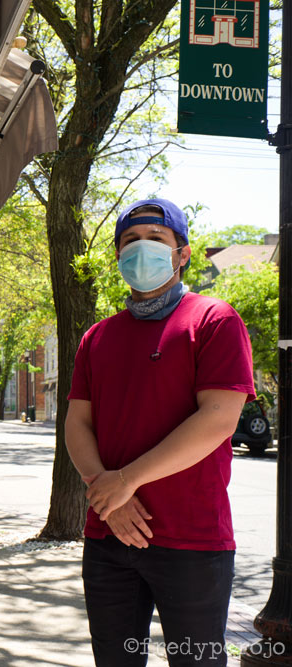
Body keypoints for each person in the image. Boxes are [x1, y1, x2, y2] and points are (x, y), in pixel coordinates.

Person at [65, 198, 255, 666]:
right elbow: (77, 424)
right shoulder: (97, 337)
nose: (142, 249)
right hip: (108, 533)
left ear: (182, 252)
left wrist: (126, 480)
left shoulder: (215, 320)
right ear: (117, 256)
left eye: (156, 239)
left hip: (192, 539)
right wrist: (107, 493)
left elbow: (218, 419)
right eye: (131, 241)